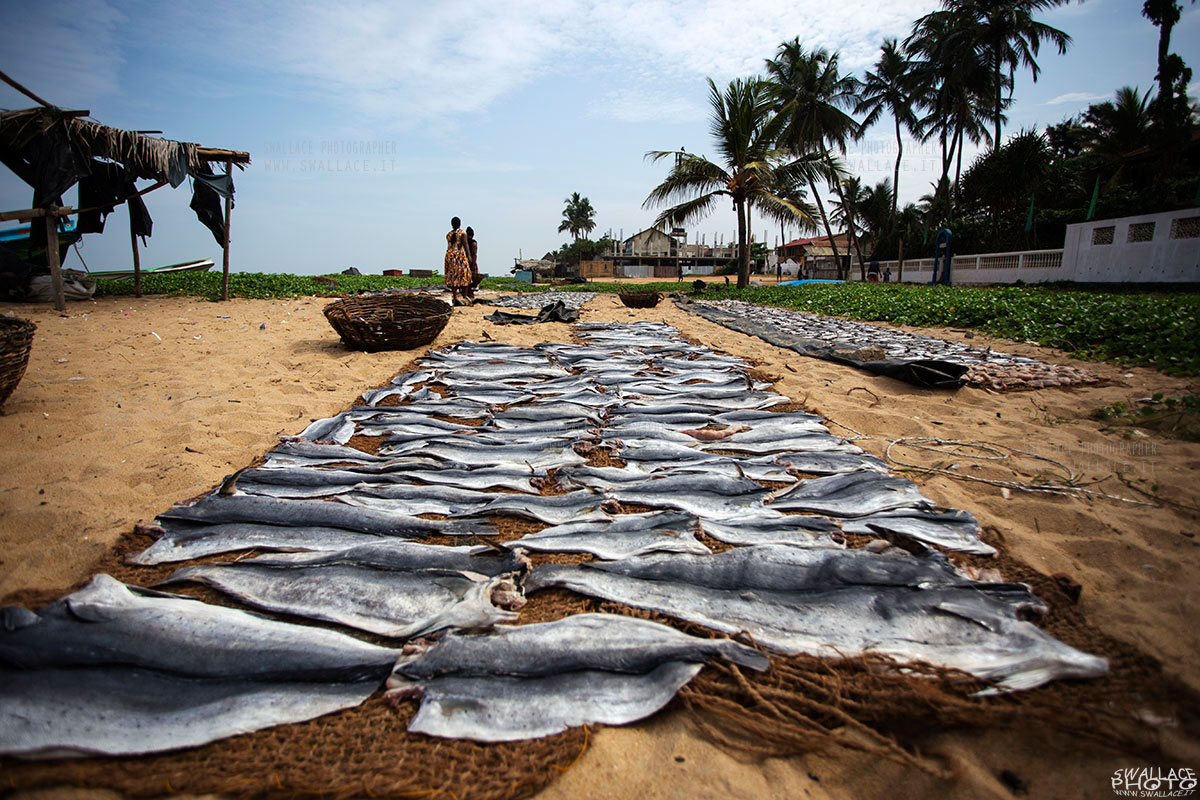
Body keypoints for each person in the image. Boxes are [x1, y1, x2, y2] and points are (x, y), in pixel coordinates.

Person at [444, 217, 472, 305]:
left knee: (453, 276)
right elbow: (465, 244)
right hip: (459, 256)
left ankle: (455, 296)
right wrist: (469, 255)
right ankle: (464, 296)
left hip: (450, 256)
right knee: (465, 275)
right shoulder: (462, 233)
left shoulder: (449, 234)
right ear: (459, 224)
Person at [465, 226, 480, 300]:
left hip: (465, 263)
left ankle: (468, 294)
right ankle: (469, 294)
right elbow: (474, 254)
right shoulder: (473, 243)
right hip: (470, 263)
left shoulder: (465, 243)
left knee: (468, 280)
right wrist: (473, 264)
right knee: (471, 280)